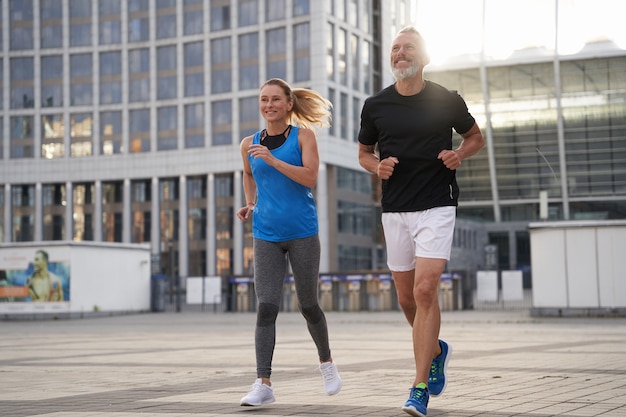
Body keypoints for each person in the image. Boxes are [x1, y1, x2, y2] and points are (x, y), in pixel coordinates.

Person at [357, 26, 485, 417]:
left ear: (424, 58)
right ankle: (435, 349)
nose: (399, 53)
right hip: (395, 208)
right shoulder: (375, 106)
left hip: (437, 202)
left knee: (426, 289)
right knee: (407, 298)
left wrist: (459, 154)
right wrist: (376, 166)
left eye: (407, 47)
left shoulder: (446, 99)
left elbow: (475, 136)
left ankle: (418, 387)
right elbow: (363, 152)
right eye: (395, 49)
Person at [236, 78, 342, 407]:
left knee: (307, 304)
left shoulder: (303, 137)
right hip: (266, 234)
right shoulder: (248, 144)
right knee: (266, 306)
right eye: (264, 99)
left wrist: (274, 160)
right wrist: (251, 204)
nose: (269, 105)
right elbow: (249, 174)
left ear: (288, 104)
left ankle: (326, 363)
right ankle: (263, 382)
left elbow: (310, 177)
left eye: (275, 100)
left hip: (302, 233)